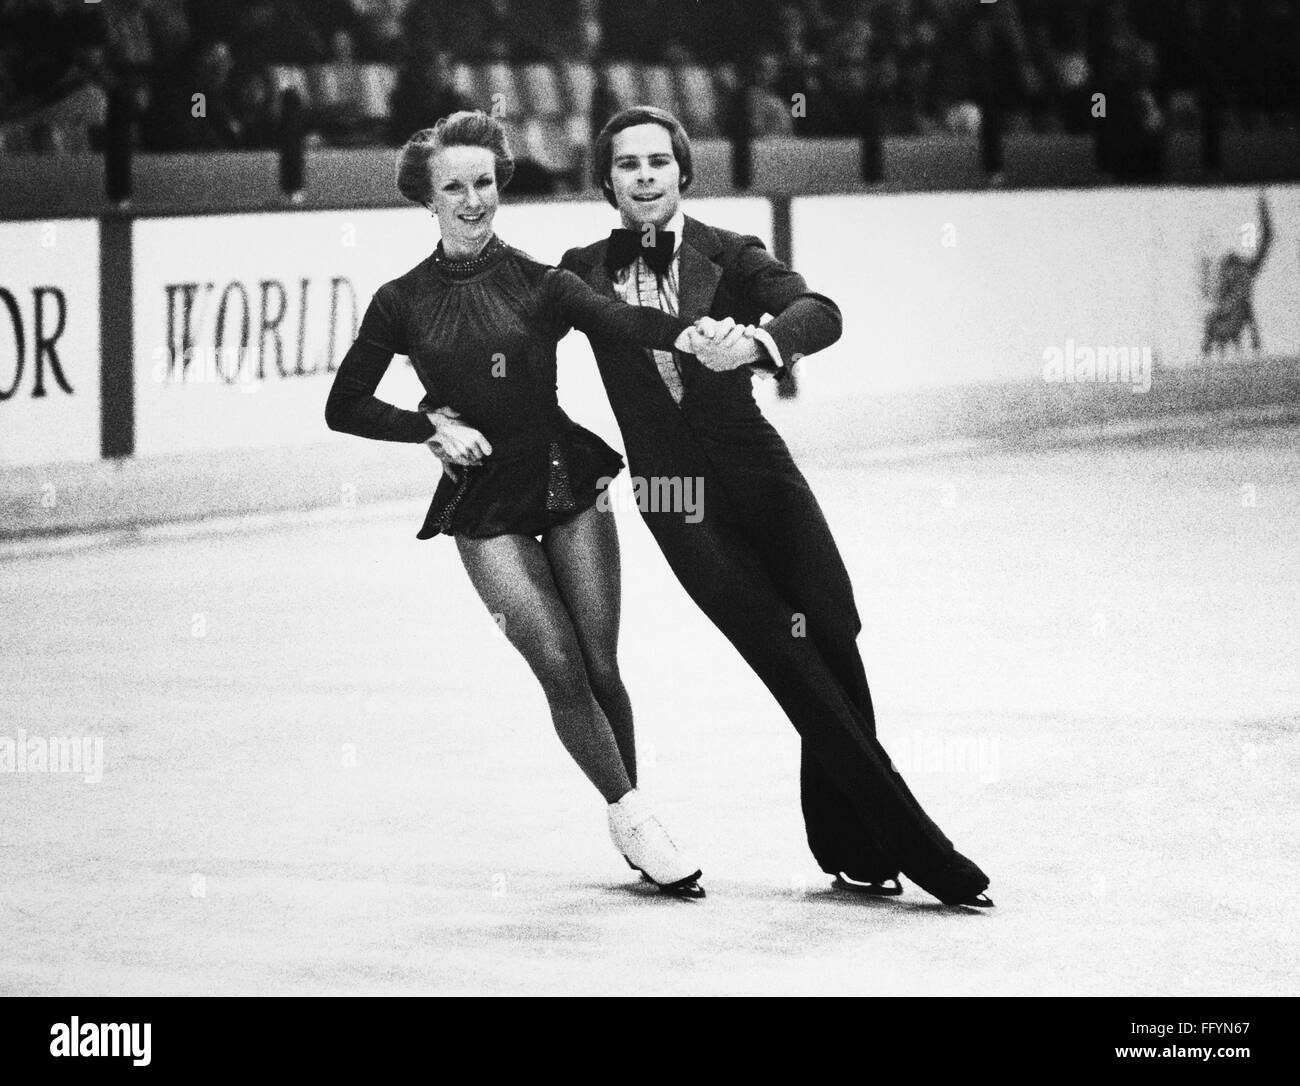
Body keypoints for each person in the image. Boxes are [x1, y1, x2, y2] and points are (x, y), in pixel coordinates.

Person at [432, 106, 995, 907]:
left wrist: (762, 345)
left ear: (683, 171)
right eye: (628, 165)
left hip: (760, 471)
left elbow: (818, 310)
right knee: (783, 650)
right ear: (607, 183)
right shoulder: (579, 270)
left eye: (659, 161)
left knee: (835, 629)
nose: (646, 176)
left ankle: (843, 839)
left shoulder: (728, 252)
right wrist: (440, 411)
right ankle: (920, 848)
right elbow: (499, 348)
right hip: (675, 497)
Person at [325, 111, 733, 898]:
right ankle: (634, 814)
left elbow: (617, 321)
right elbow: (344, 405)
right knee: (557, 665)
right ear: (429, 199)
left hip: (567, 482)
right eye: (455, 187)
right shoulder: (399, 301)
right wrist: (428, 428)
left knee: (600, 663)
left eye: (484, 182)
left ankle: (633, 819)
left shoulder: (541, 282)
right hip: (484, 506)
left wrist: (687, 336)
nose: (473, 200)